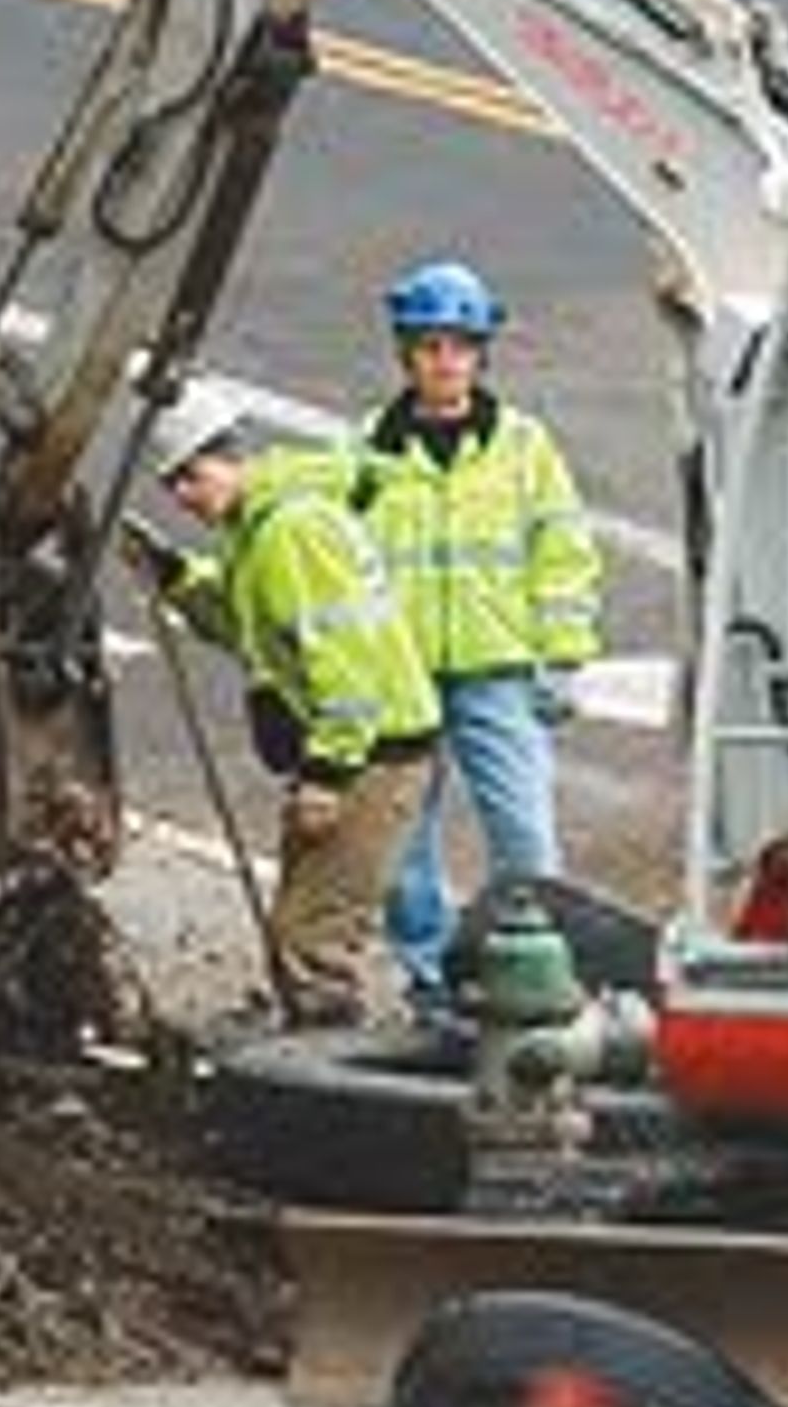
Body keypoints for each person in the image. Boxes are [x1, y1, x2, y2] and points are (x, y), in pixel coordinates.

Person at [144, 379, 441, 1025]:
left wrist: (329, 776)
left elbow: (346, 666)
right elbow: (249, 625)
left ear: (225, 459)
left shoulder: (290, 534)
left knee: (316, 937)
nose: (184, 500)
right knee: (297, 924)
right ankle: (308, 1041)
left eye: (189, 480)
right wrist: (178, 579)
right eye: (173, 488)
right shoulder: (262, 527)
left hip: (371, 757)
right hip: (357, 748)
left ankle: (325, 1075)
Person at [353, 258, 605, 1002]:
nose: (445, 361)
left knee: (526, 839)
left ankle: (523, 974)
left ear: (479, 353)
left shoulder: (522, 446)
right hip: (400, 679)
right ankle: (432, 980)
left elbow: (562, 551)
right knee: (403, 851)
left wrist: (562, 657)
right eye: (430, 346)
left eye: (459, 346)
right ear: (407, 353)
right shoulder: (368, 447)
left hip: (498, 674)